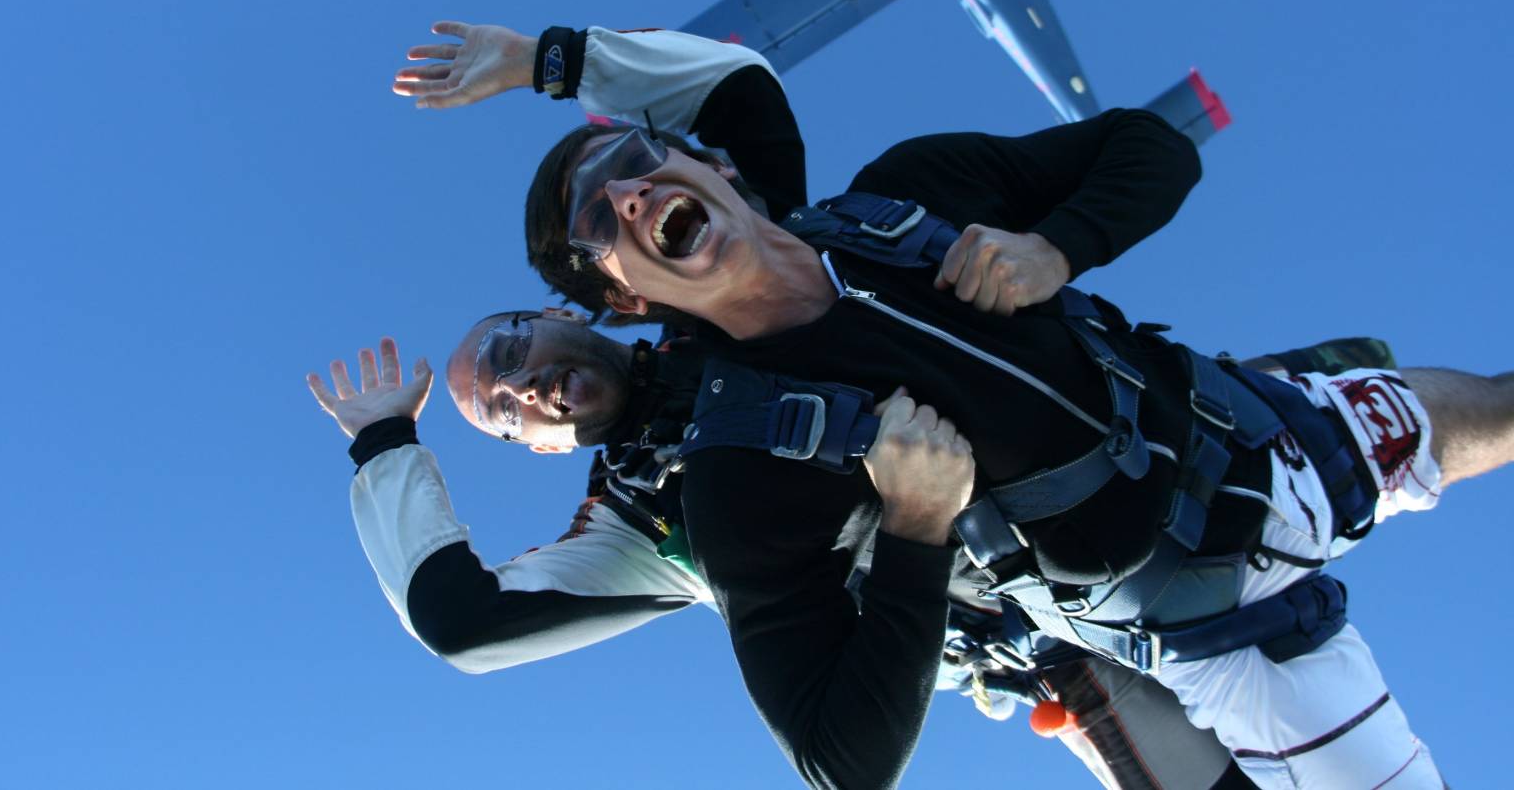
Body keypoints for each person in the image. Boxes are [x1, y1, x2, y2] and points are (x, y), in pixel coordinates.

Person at [469, 20, 1513, 787]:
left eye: (634, 161)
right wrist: (919, 532)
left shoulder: (906, 196)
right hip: (1222, 632)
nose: (634, 197)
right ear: (626, 298)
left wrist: (1058, 244)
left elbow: (1149, 146)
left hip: (1271, 430)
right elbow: (839, 758)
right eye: (600, 222)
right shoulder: (742, 473)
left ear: (708, 159)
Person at [311, 320, 1399, 790]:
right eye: (506, 415)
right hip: (1066, 646)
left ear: (558, 309)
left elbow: (735, 117)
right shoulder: (645, 525)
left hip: (1146, 480)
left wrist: (555, 58)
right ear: (540, 446)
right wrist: (385, 444)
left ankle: (1312, 398)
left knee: (1363, 433)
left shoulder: (712, 295)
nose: (523, 387)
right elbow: (461, 621)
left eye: (512, 350)